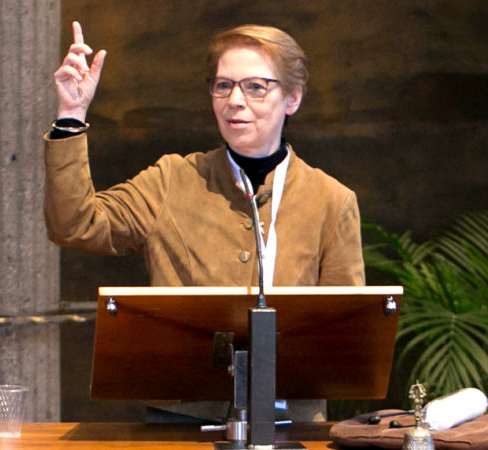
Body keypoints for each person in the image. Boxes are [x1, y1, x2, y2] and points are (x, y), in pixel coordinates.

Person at [45, 21, 364, 422]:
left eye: (255, 87)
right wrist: (71, 116)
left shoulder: (331, 200)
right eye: (223, 85)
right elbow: (74, 224)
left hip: (288, 420)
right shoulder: (172, 179)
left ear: (292, 98)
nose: (234, 100)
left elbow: (348, 331)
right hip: (181, 418)